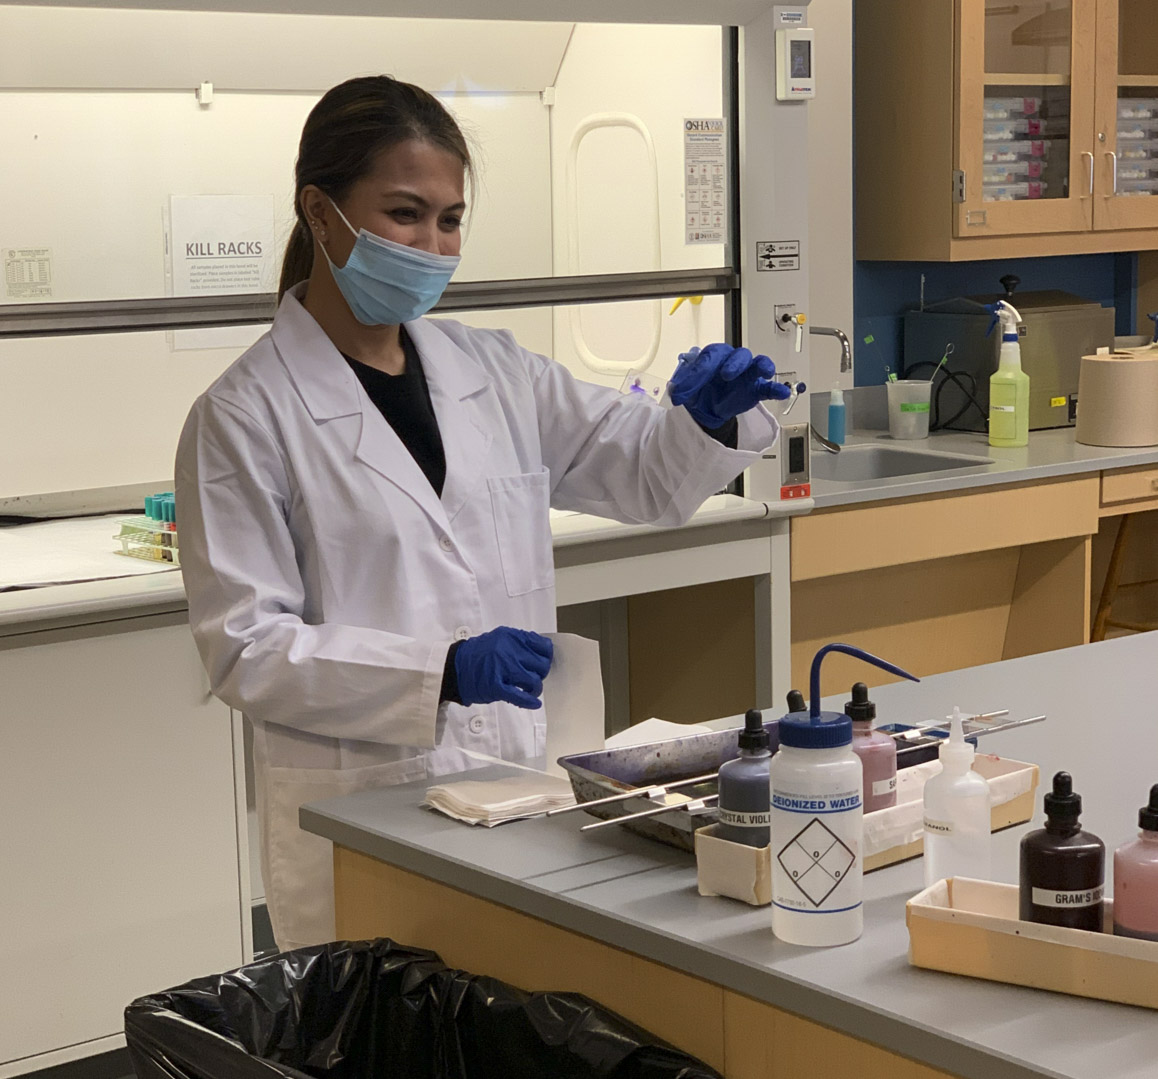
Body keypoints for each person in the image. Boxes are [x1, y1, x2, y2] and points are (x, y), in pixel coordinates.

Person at [176, 75, 791, 951]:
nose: (432, 244)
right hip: (363, 810)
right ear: (320, 213)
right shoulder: (244, 415)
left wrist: (710, 417)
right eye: (404, 213)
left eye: (450, 219)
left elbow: (644, 476)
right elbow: (247, 650)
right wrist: (441, 671)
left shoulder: (493, 372)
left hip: (514, 783)